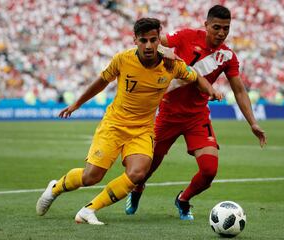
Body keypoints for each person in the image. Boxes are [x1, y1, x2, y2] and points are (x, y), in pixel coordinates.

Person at [35, 17, 222, 225]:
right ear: (135, 40)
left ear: (159, 40)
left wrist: (210, 90)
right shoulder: (122, 60)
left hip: (142, 130)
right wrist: (77, 104)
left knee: (138, 173)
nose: (149, 45)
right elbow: (101, 82)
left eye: (153, 40)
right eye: (144, 40)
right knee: (91, 177)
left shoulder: (172, 65)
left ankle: (89, 210)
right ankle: (55, 188)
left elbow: (194, 76)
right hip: (114, 125)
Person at [125, 5, 267, 220]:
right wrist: (171, 59)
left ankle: (183, 199)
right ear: (206, 25)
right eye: (216, 27)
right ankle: (137, 190)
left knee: (209, 171)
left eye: (226, 29)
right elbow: (155, 45)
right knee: (147, 167)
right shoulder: (186, 36)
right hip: (168, 114)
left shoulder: (227, 56)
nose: (221, 33)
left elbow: (239, 90)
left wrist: (253, 123)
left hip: (197, 116)